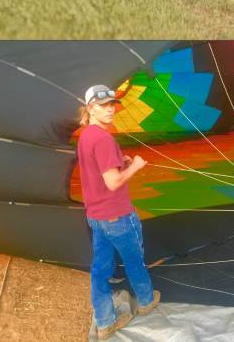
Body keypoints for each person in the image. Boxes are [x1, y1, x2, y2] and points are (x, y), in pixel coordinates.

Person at [77, 84, 160, 339]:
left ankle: (104, 321)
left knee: (100, 268)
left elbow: (99, 170)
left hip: (96, 217)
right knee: (134, 259)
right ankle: (146, 301)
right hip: (117, 215)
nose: (110, 109)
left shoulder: (86, 135)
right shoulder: (104, 139)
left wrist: (118, 162)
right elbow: (113, 183)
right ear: (91, 108)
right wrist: (134, 165)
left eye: (112, 104)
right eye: (103, 105)